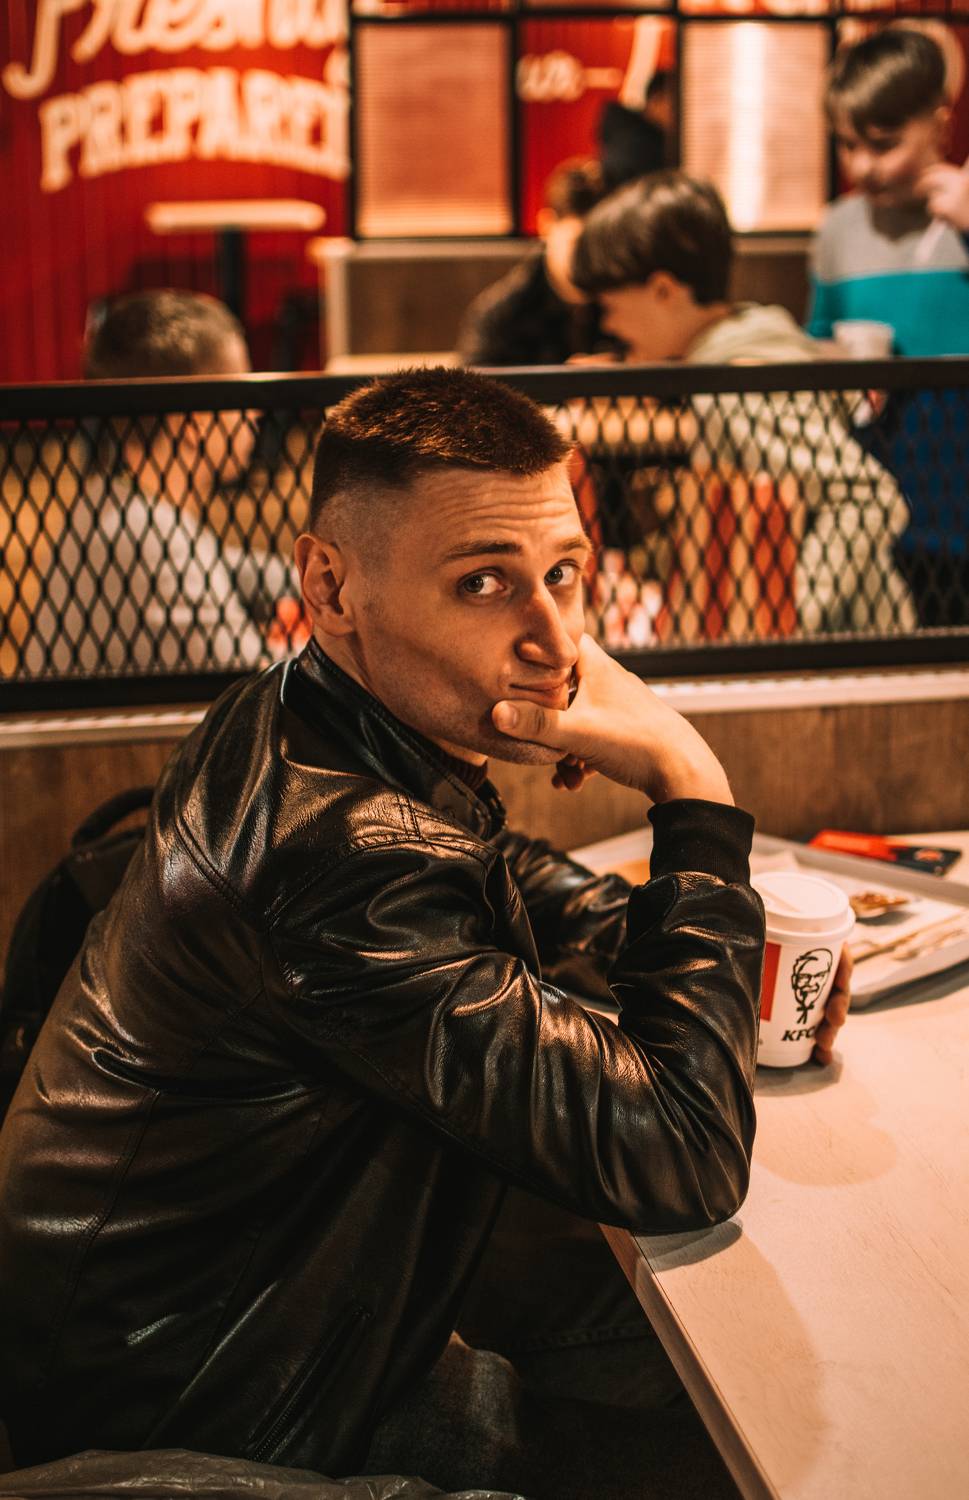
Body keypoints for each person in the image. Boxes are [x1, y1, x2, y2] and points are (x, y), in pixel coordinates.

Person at [0, 368, 852, 1496]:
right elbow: (682, 1154)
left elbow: (483, 866)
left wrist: (680, 937)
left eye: (563, 574)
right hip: (220, 1401)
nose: (556, 640)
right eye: (483, 583)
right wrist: (690, 786)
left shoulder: (298, 709)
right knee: (771, 1449)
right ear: (330, 585)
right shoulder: (338, 853)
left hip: (228, 1303)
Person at [571, 171, 917, 636]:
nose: (609, 326)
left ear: (663, 290)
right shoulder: (737, 358)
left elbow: (865, 496)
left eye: (610, 307)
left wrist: (790, 622)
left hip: (845, 644)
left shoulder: (740, 382)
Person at [17, 289, 294, 675]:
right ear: (196, 421)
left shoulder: (114, 501)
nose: (256, 413)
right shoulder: (148, 540)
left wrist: (322, 585)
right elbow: (256, 686)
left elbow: (229, 565)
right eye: (242, 394)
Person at [808, 26, 969, 626]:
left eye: (884, 143)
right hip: (874, 492)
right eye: (848, 145)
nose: (862, 166)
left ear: (940, 125)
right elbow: (816, 338)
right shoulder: (837, 228)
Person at [457, 158, 613, 367]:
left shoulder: (622, 299)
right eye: (578, 244)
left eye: (600, 244)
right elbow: (474, 384)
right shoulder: (502, 316)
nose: (592, 258)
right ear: (546, 225)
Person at [598, 71, 677, 195]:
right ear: (656, 100)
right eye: (675, 106)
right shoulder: (637, 150)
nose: (680, 115)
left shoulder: (635, 138)